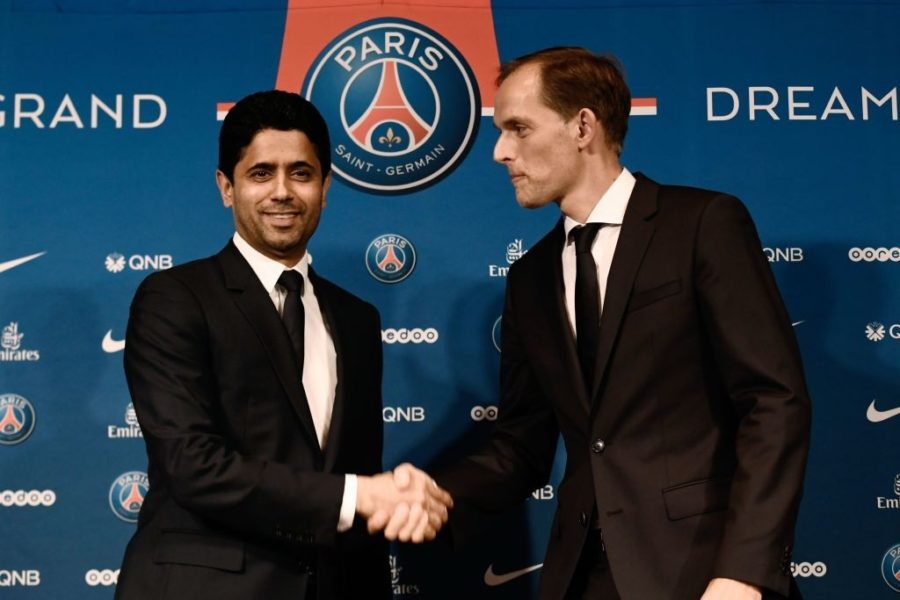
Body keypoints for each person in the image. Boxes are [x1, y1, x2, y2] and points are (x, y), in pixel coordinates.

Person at [413, 47, 811, 599]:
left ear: (582, 126)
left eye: (518, 129)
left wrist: (745, 570)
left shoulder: (700, 224)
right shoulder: (530, 278)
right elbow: (521, 446)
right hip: (582, 575)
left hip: (702, 570)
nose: (500, 152)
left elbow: (774, 402)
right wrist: (433, 495)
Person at [114, 90, 452, 600]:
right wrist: (361, 494)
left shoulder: (358, 321)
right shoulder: (175, 299)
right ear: (226, 187)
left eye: (301, 173)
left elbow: (351, 477)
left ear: (325, 187)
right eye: (259, 173)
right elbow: (192, 464)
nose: (282, 192)